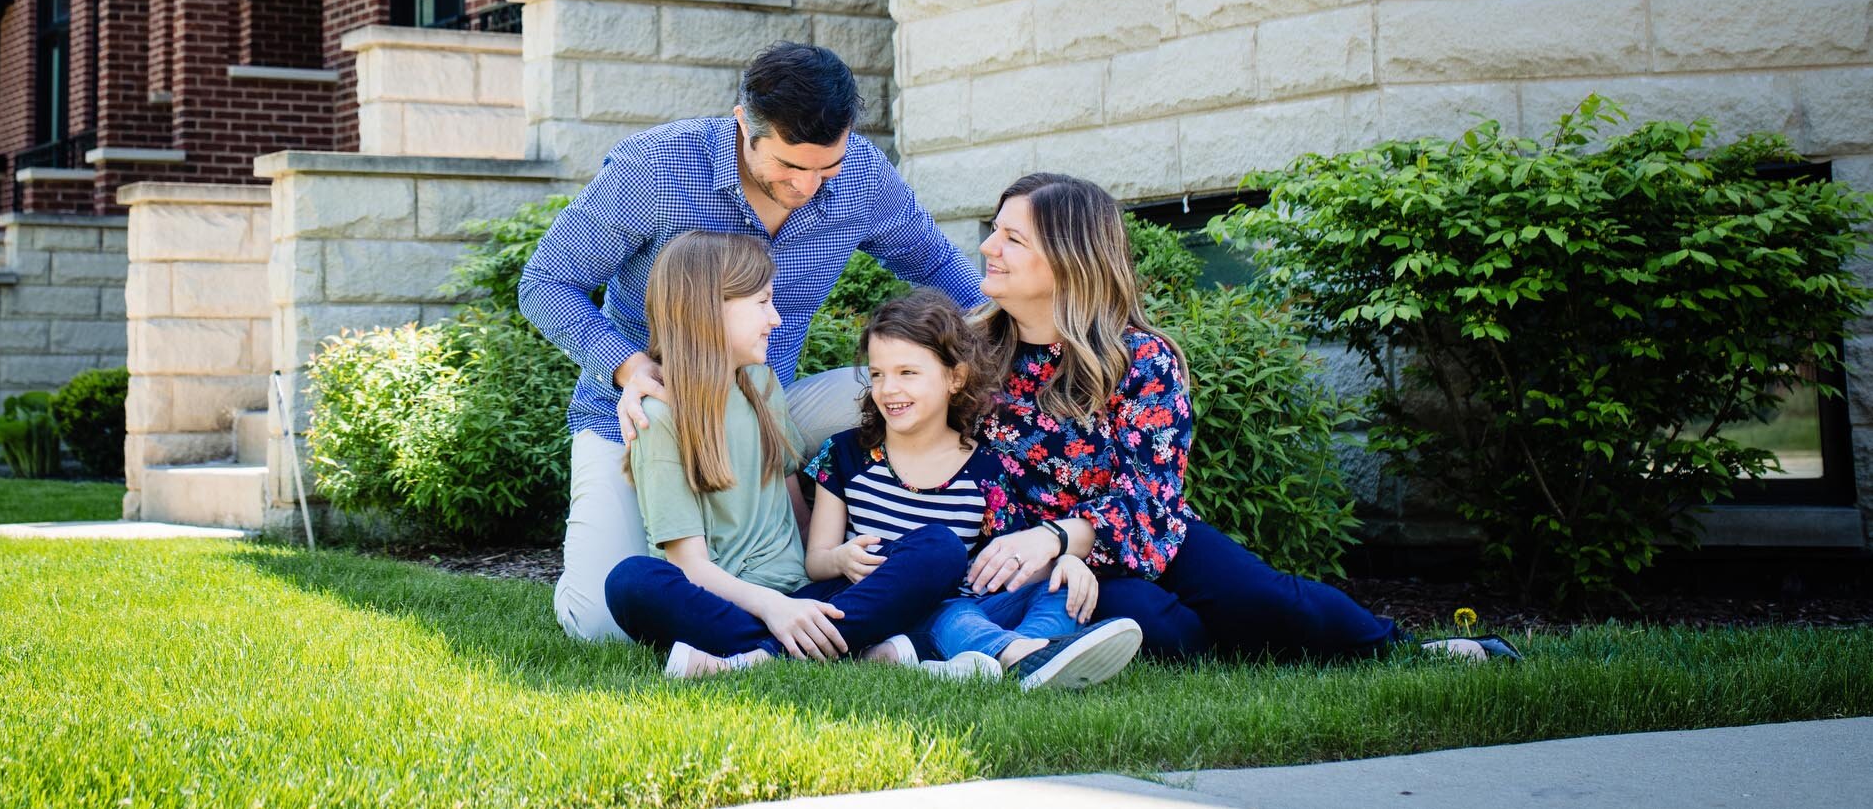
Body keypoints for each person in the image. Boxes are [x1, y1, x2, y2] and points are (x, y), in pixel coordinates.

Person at [520, 41, 988, 641]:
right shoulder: (657, 168)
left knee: (886, 390)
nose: (810, 185)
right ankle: (766, 609)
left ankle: (855, 557)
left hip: (765, 405)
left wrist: (1020, 333)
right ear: (745, 124)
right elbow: (547, 283)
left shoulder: (863, 177)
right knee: (598, 622)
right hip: (638, 417)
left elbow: (939, 266)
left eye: (828, 166)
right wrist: (628, 367)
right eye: (790, 166)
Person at [964, 172, 1518, 663]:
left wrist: (1059, 538)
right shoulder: (969, 357)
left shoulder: (1139, 361)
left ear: (1071, 260)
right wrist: (1039, 551)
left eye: (1013, 238)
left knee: (1267, 601)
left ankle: (1407, 650)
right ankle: (1219, 645)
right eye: (996, 229)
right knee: (1157, 628)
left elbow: (1148, 496)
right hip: (1035, 562)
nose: (989, 245)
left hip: (1143, 534)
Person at [601, 231, 970, 677]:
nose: (774, 319)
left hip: (804, 596)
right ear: (709, 309)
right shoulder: (658, 417)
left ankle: (754, 660)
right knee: (632, 583)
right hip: (722, 600)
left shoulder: (760, 384)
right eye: (761, 303)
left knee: (939, 548)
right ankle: (845, 650)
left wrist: (834, 562)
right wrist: (774, 608)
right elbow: (690, 566)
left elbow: (797, 509)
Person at [803, 286, 1144, 689]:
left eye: (907, 372)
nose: (888, 389)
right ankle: (1021, 656)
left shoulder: (985, 468)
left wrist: (1066, 563)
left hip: (970, 606)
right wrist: (841, 560)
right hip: (892, 610)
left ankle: (1037, 648)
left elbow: (1010, 563)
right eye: (878, 374)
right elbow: (816, 562)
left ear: (955, 377)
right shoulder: (845, 454)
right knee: (952, 614)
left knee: (1057, 587)